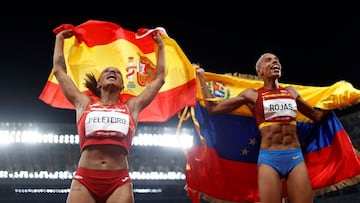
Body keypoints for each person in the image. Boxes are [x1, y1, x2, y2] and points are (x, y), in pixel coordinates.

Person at [196, 53, 329, 203]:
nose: (275, 62)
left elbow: (316, 116)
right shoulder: (251, 95)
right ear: (260, 72)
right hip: (269, 160)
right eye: (269, 60)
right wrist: (201, 78)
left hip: (295, 157)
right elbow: (213, 109)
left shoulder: (291, 92)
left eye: (277, 61)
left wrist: (334, 98)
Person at [53, 29, 165, 203]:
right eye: (107, 71)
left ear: (122, 85)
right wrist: (59, 39)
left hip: (118, 181)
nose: (112, 72)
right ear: (99, 83)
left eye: (117, 72)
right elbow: (59, 71)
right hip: (85, 179)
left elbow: (159, 79)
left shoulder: (132, 107)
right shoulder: (84, 103)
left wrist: (161, 47)